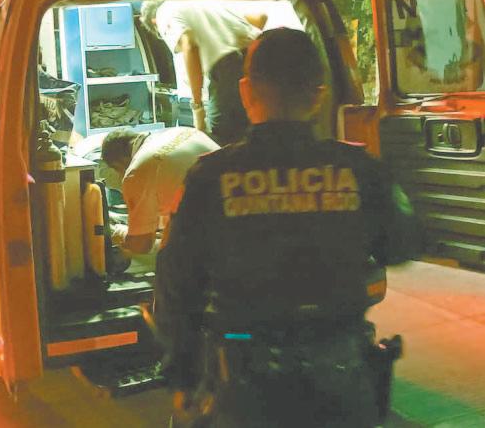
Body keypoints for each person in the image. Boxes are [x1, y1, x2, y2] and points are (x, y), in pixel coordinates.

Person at [155, 27, 421, 427]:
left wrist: (182, 372)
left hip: (247, 393)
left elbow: (176, 286)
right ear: (318, 95)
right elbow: (402, 245)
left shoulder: (210, 178)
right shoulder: (360, 169)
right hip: (343, 385)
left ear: (246, 92)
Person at [141, 0, 266, 145]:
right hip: (259, 60)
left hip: (227, 67)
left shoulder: (164, 14)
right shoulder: (203, 2)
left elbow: (190, 45)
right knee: (255, 127)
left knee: (220, 136)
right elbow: (260, 18)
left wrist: (197, 106)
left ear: (154, 23)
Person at [101, 127, 219, 255]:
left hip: (214, 236)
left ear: (119, 163)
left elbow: (141, 245)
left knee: (136, 253)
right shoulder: (180, 130)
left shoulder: (136, 173)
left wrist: (118, 232)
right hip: (231, 207)